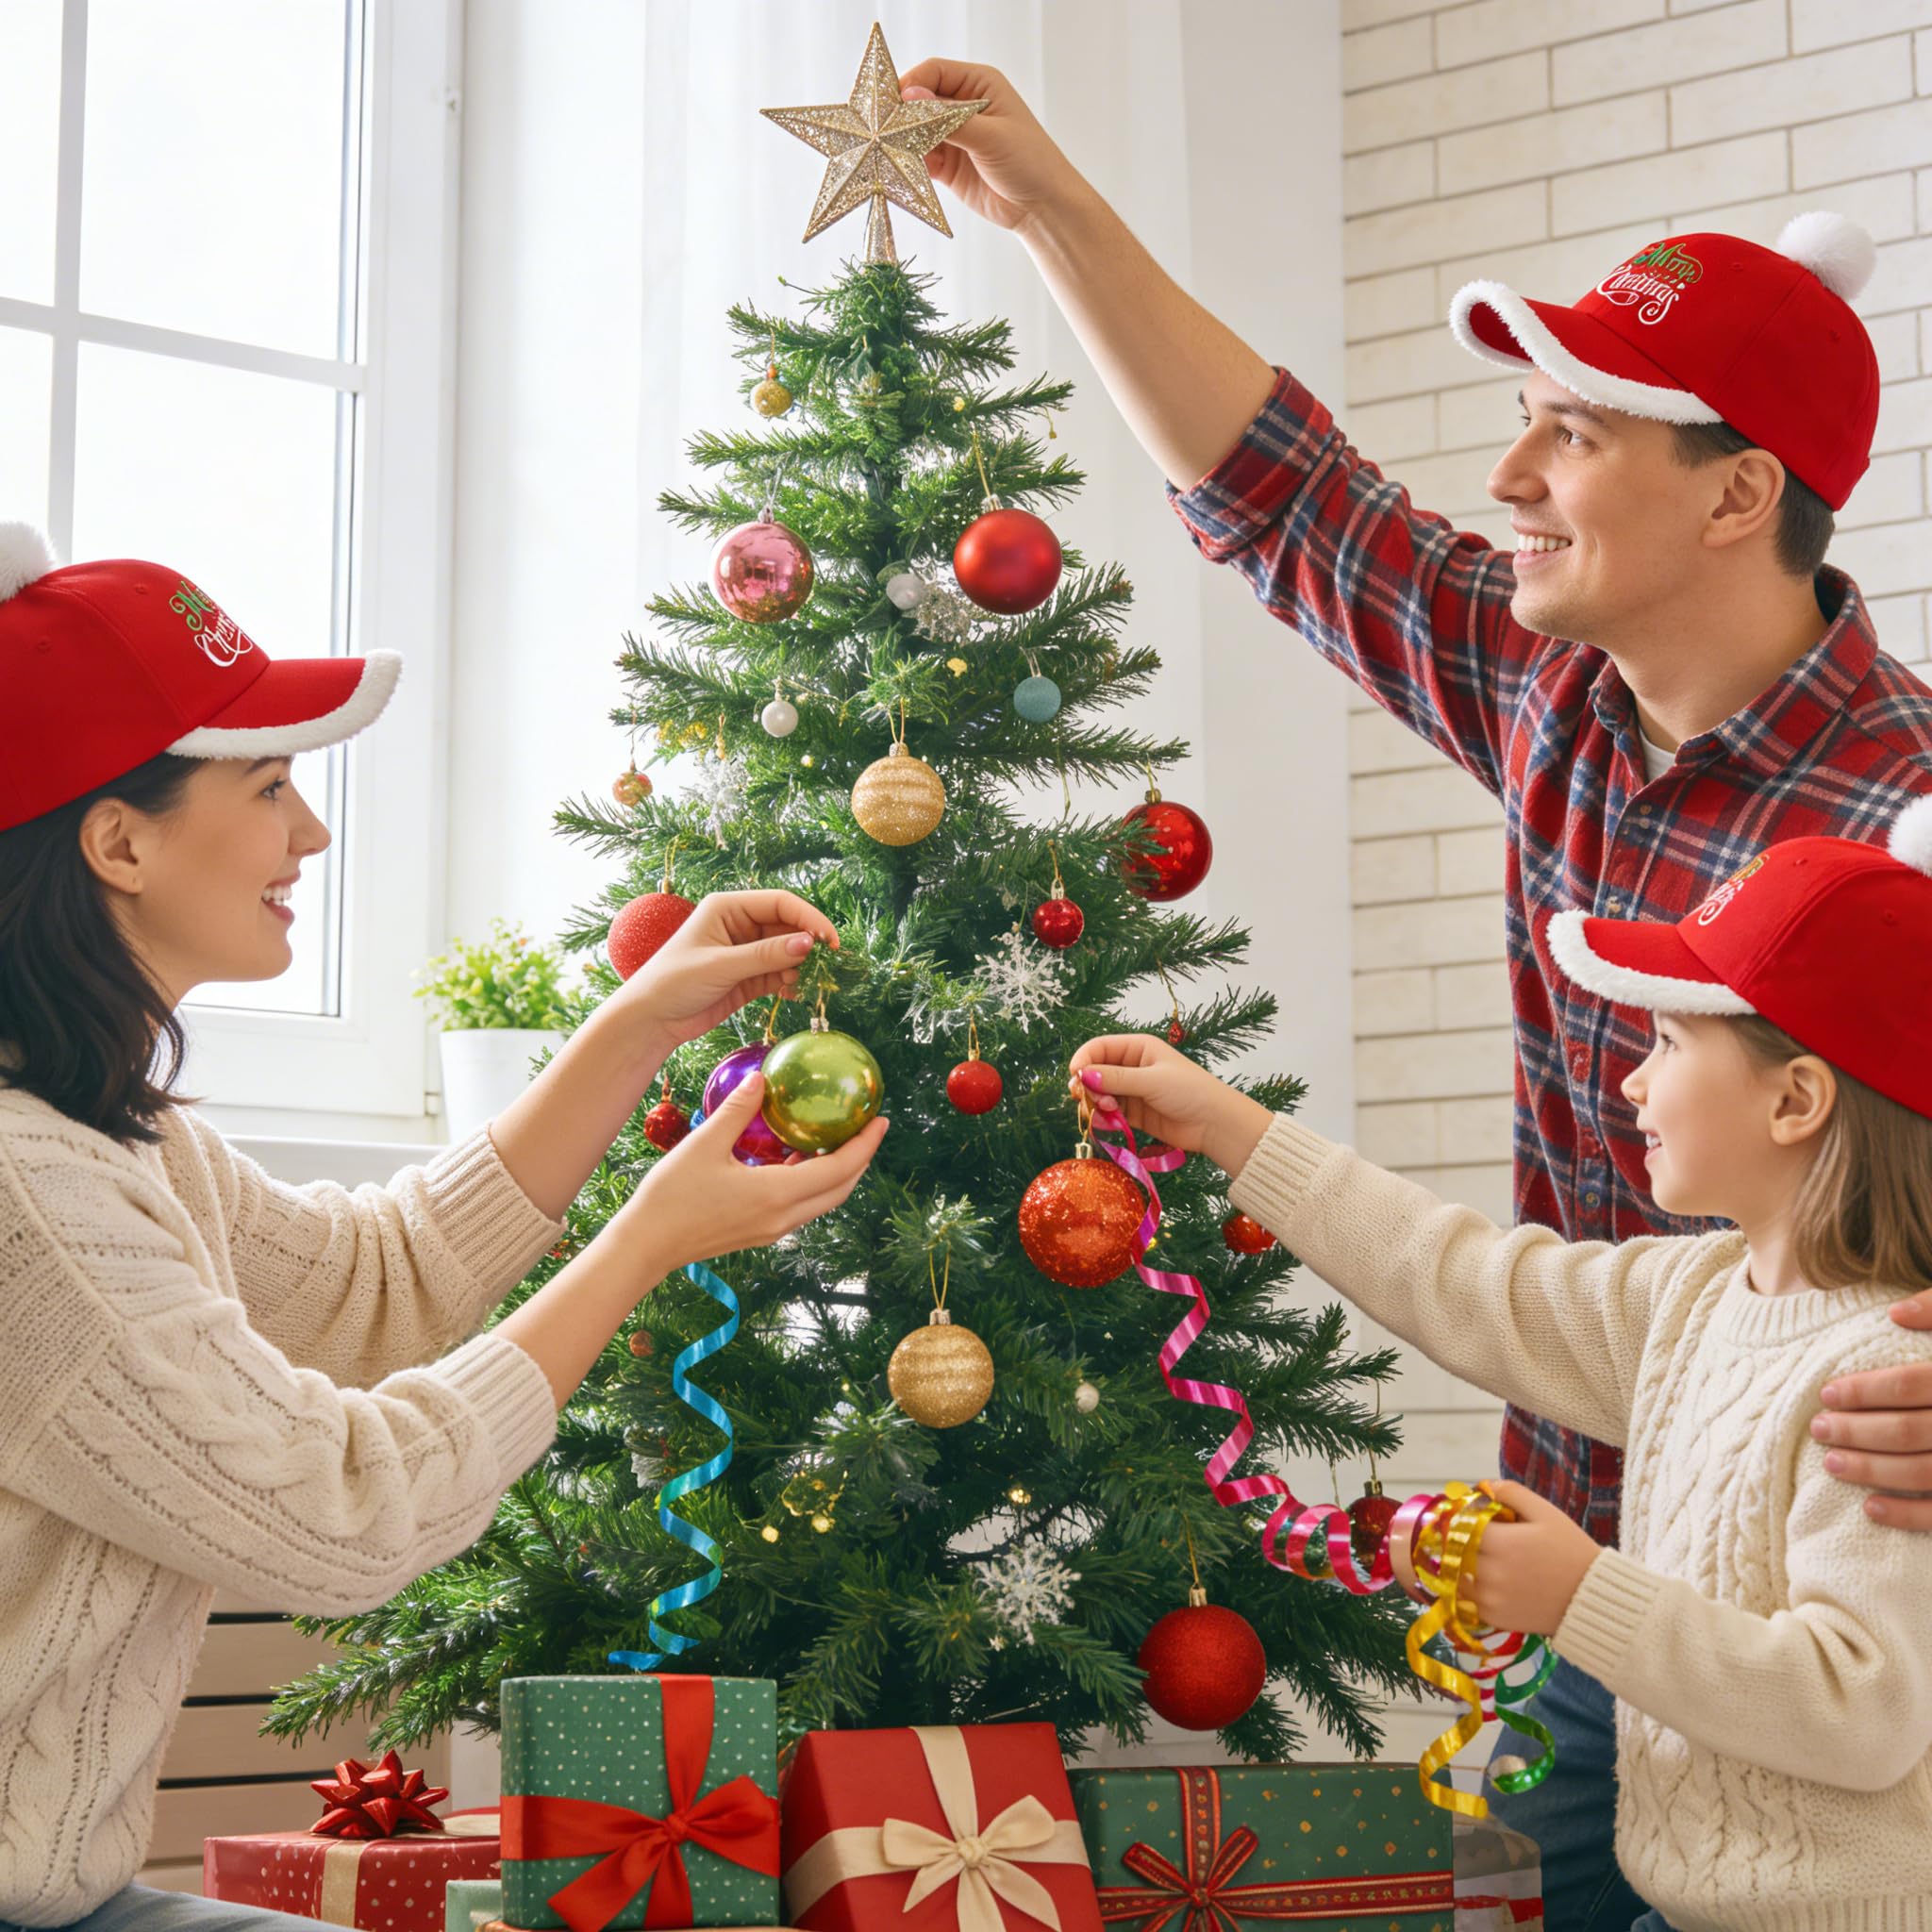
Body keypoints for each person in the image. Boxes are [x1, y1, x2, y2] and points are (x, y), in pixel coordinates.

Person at [902, 58, 1932, 1924]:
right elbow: (1283, 496)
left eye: (1574, 431)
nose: (1510, 478)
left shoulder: (1909, 817)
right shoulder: (1557, 701)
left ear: (1738, 497)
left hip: (1838, 1645)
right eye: (1521, 419)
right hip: (1574, 1581)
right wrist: (1050, 197)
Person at [0, 525, 888, 1931]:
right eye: (273, 786)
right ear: (117, 839)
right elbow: (334, 1508)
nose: (311, 833)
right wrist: (642, 1244)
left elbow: (375, 1280)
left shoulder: (113, 1136)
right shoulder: (24, 1200)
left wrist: (635, 1020)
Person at [1070, 793, 1932, 1931]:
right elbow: (1465, 1277)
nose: (1629, 1079)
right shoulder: (1689, 1298)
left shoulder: (1879, 1378)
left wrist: (1581, 1594)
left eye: (1668, 1040)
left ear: (1794, 1098)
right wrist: (1231, 1126)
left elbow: (1856, 1708)